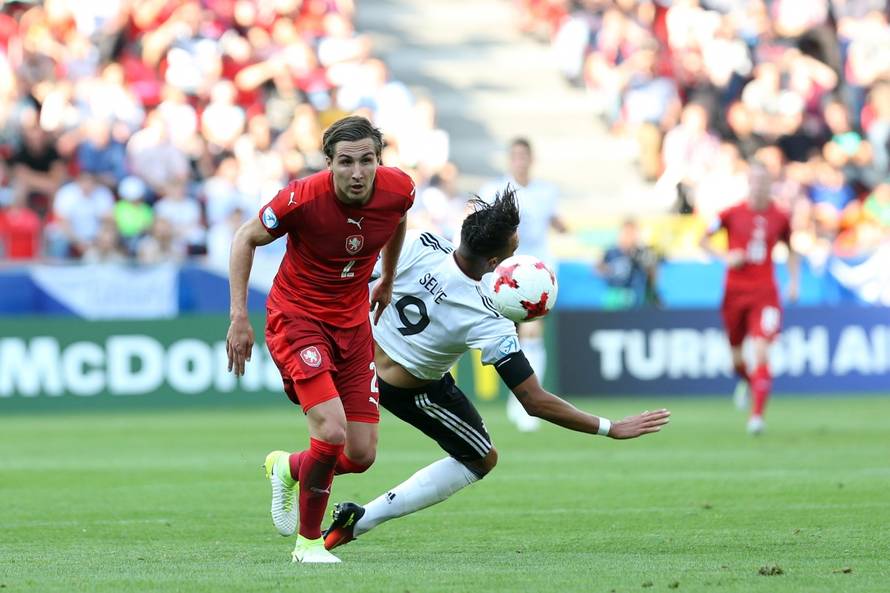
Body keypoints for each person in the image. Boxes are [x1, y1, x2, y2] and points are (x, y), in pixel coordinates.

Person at [322, 188, 670, 551]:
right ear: (492, 262)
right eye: (512, 252)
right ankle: (360, 519)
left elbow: (352, 274)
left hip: (358, 360)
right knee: (479, 458)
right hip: (410, 388)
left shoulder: (420, 242)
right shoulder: (490, 315)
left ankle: (305, 476)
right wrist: (610, 428)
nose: (514, 256)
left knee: (356, 454)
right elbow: (534, 400)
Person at [225, 115, 414, 564]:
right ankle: (308, 545)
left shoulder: (399, 189)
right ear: (328, 163)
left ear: (378, 161)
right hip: (298, 319)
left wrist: (386, 277)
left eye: (366, 161)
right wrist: (238, 316)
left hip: (353, 327)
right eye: (345, 162)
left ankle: (287, 467)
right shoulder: (302, 198)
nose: (356, 172)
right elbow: (244, 237)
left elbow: (397, 218)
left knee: (361, 453)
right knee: (330, 432)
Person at [700, 163, 800, 435]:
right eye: (754, 181)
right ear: (748, 183)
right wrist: (725, 257)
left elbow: (791, 249)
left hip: (765, 292)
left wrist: (793, 281)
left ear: (770, 184)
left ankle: (756, 417)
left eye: (763, 181)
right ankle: (748, 382)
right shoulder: (731, 213)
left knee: (761, 350)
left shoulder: (780, 216)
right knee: (735, 359)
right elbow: (703, 240)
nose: (758, 186)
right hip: (734, 292)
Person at [480, 138, 567, 432]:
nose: (520, 161)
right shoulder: (494, 190)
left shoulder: (546, 191)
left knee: (531, 331)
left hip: (538, 271)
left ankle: (527, 406)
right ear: (509, 159)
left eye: (524, 156)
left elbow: (556, 221)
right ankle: (521, 399)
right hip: (504, 271)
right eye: (515, 155)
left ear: (531, 159)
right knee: (506, 335)